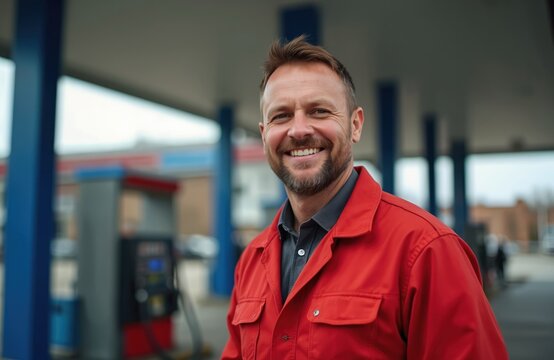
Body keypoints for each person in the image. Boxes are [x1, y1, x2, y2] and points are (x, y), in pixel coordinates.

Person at [221, 36, 508, 359]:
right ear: (263, 135)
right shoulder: (252, 261)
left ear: (355, 125)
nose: (299, 130)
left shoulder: (426, 249)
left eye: (318, 111)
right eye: (281, 116)